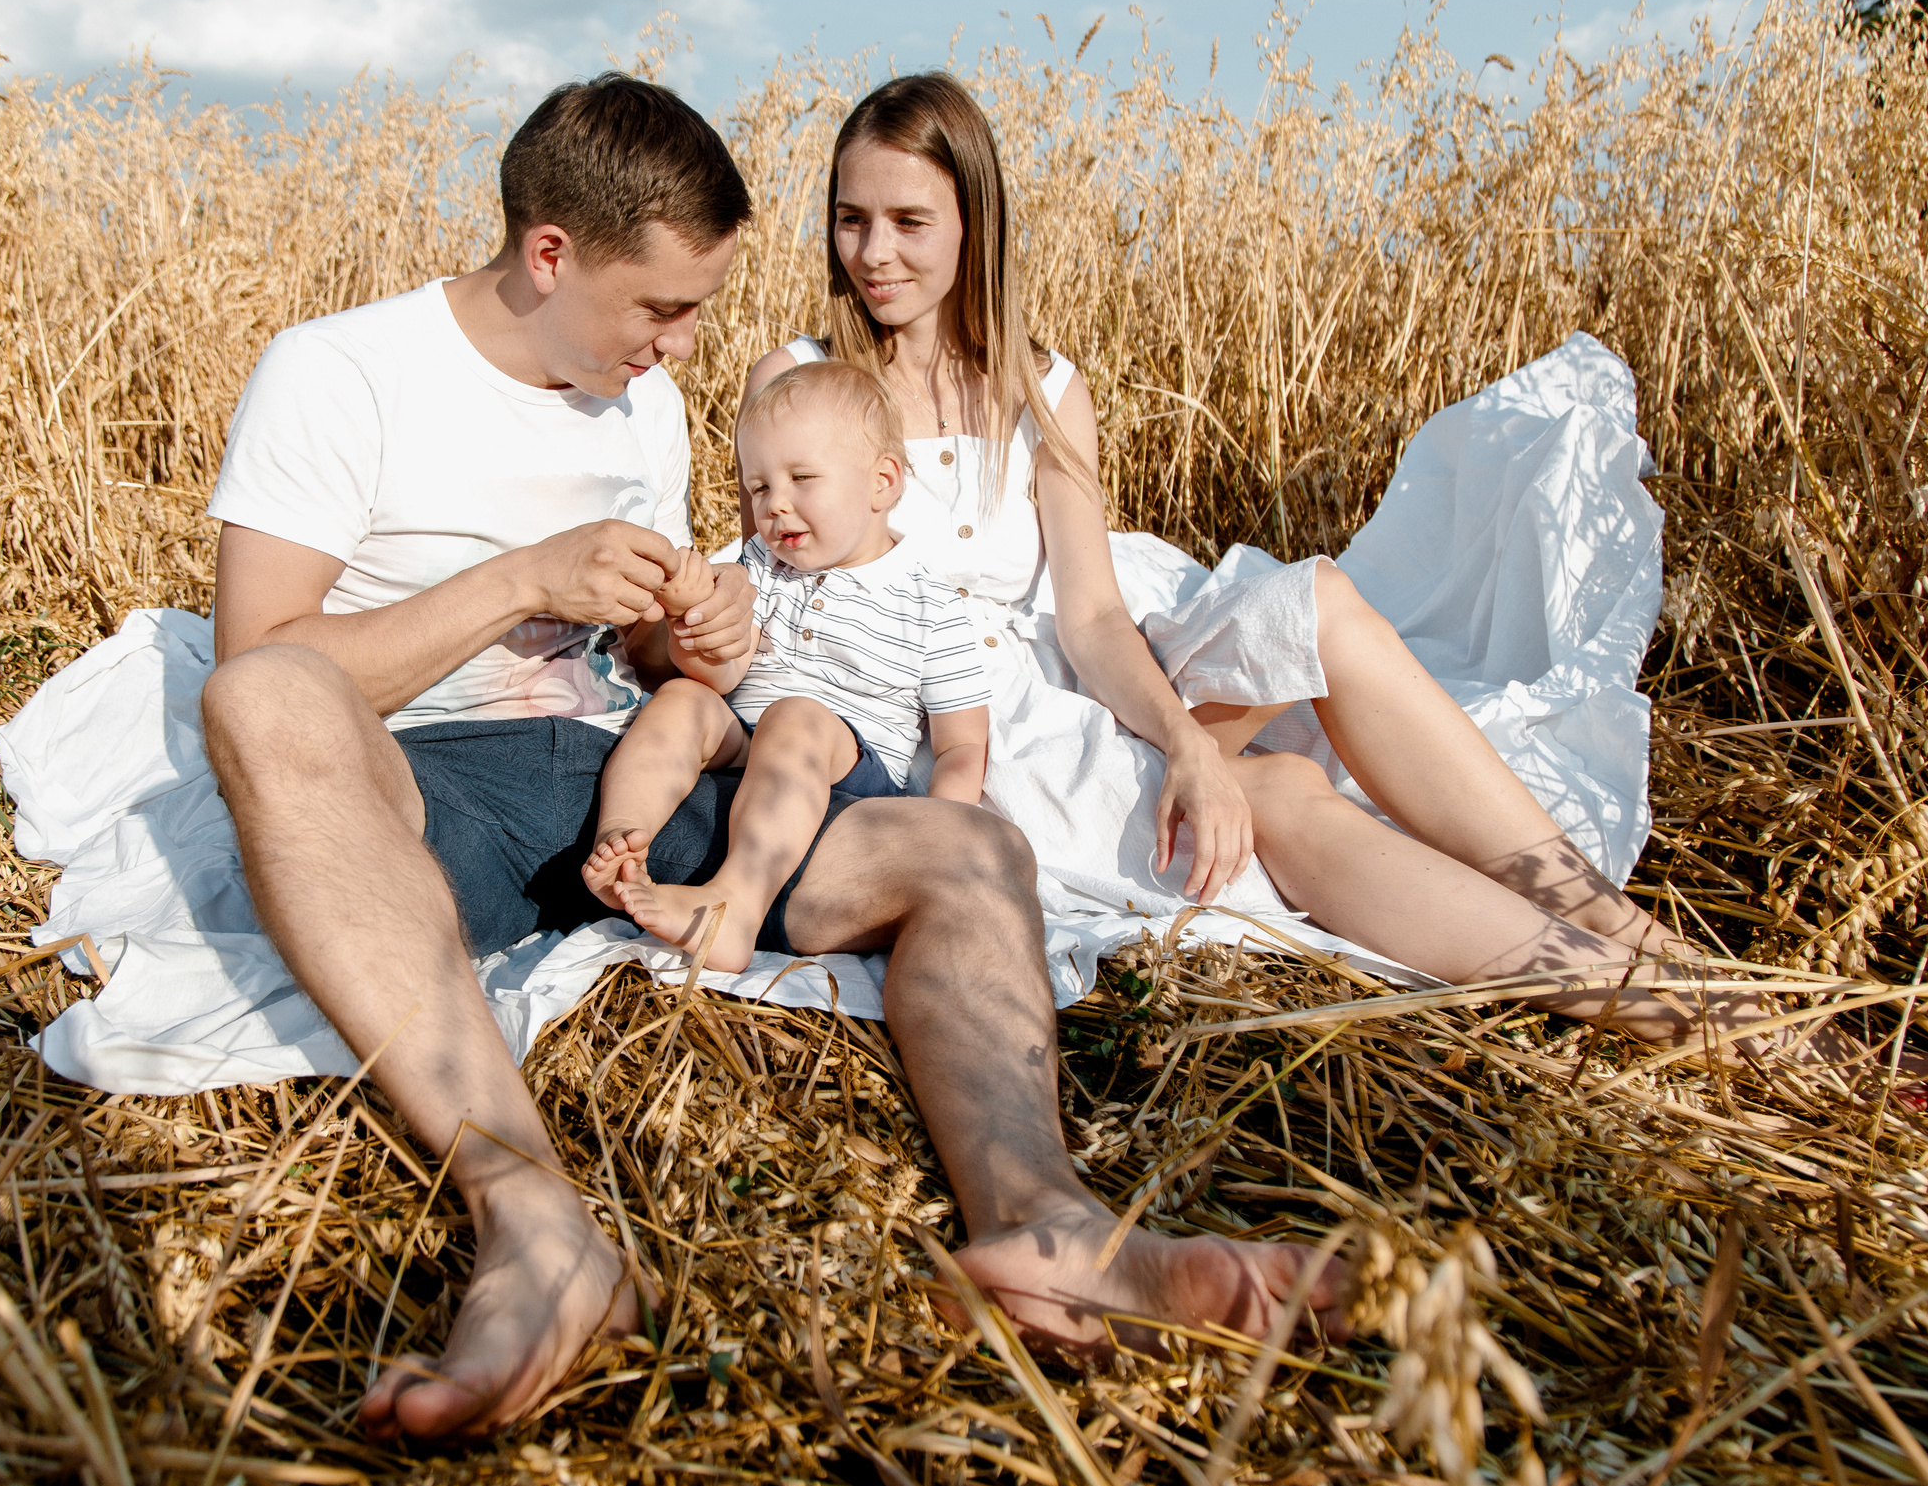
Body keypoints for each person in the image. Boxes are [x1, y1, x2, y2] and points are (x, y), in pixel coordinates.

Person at [197, 73, 1346, 1443]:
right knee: (266, 706)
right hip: (423, 780)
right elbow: (262, 657)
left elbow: (648, 657)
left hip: (638, 766)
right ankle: (539, 1233)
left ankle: (1051, 1226)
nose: (683, 347)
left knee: (966, 840)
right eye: (662, 308)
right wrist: (520, 581)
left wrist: (697, 636)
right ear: (551, 253)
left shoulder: (640, 400)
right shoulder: (338, 371)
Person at [748, 69, 1851, 1061]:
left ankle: (1623, 931)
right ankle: (1668, 1006)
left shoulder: (1044, 387)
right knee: (1274, 791)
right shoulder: (798, 378)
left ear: (972, 223)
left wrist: (1181, 737)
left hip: (1075, 666)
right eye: (850, 220)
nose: (874, 254)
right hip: (962, 715)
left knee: (1315, 606)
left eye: (907, 221)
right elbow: (781, 587)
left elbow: (1087, 616)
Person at [583, 359, 991, 972]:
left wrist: (938, 828)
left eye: (802, 477)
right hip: (747, 745)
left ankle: (735, 909)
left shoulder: (934, 604)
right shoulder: (756, 570)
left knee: (796, 717)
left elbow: (961, 745)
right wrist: (694, 623)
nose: (776, 505)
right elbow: (716, 680)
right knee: (682, 702)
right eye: (759, 487)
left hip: (848, 773)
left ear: (883, 483)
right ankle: (622, 843)